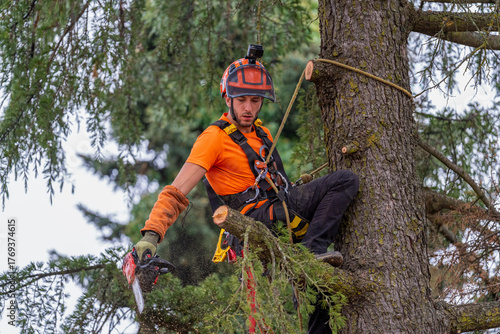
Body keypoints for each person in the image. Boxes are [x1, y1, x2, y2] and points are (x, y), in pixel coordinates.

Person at [134, 45, 359, 334]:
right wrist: (151, 236)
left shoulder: (262, 133)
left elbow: (281, 187)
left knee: (324, 293)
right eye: (242, 100)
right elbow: (177, 191)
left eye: (255, 100)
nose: (249, 108)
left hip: (283, 212)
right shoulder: (213, 139)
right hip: (256, 223)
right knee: (343, 183)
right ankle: (311, 253)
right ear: (228, 98)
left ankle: (312, 271)